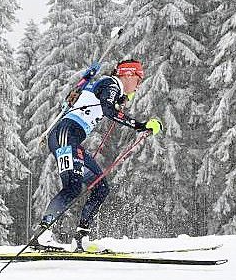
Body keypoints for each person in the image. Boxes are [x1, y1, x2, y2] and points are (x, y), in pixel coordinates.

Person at [31, 58, 162, 252]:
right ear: (128, 74)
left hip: (68, 137)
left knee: (101, 187)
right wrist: (140, 126)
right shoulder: (112, 83)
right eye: (139, 78)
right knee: (73, 187)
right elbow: (108, 110)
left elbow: (87, 97)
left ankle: (80, 238)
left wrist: (114, 98)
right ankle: (42, 236)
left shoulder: (108, 88)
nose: (139, 84)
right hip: (65, 135)